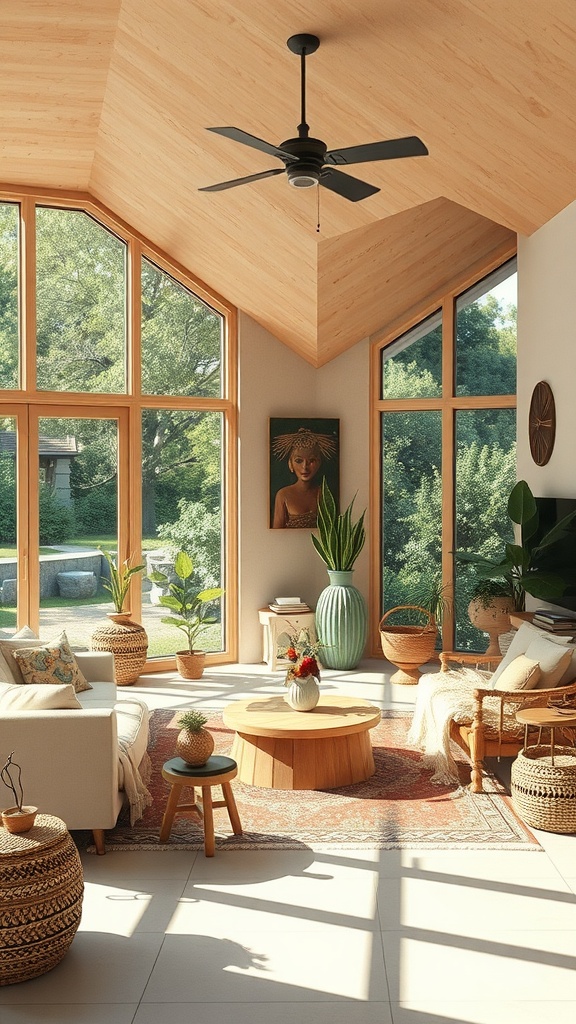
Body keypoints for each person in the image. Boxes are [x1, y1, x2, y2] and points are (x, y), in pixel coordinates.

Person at [271, 427, 336, 529]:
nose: (305, 466)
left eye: (311, 460)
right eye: (298, 461)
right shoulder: (283, 495)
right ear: (290, 464)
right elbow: (275, 533)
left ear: (319, 463)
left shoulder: (323, 494)